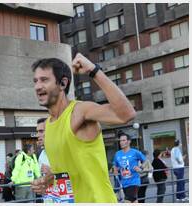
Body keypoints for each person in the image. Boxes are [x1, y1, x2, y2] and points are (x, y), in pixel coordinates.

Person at [31, 53, 135, 202]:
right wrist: (48, 180)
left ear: (63, 83)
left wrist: (93, 71)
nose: (37, 86)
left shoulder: (79, 111)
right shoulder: (47, 125)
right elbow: (64, 171)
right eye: (35, 81)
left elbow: (126, 114)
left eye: (44, 80)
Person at [113, 132, 146, 203]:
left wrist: (140, 168)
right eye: (120, 141)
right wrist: (115, 169)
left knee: (127, 201)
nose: (121, 142)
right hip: (124, 182)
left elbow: (146, 162)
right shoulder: (117, 154)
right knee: (134, 201)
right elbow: (115, 165)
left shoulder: (135, 152)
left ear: (129, 141)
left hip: (134, 182)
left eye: (123, 140)